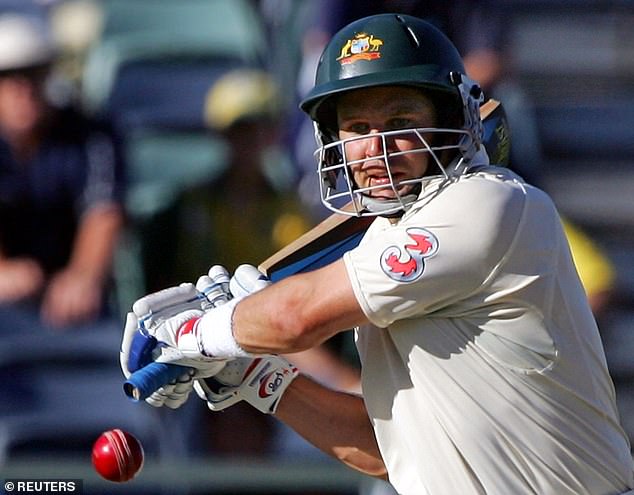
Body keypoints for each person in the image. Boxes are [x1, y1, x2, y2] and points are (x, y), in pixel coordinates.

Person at [121, 14, 634, 495]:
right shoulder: (381, 239)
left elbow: (295, 318)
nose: (377, 149)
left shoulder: (488, 202)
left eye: (399, 121)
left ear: (449, 117)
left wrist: (189, 333)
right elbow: (385, 448)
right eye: (358, 129)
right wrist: (254, 376)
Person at [0, 11, 124, 330]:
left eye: (32, 73)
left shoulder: (91, 136)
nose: (21, 87)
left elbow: (103, 211)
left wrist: (82, 277)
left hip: (79, 307)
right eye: (8, 76)